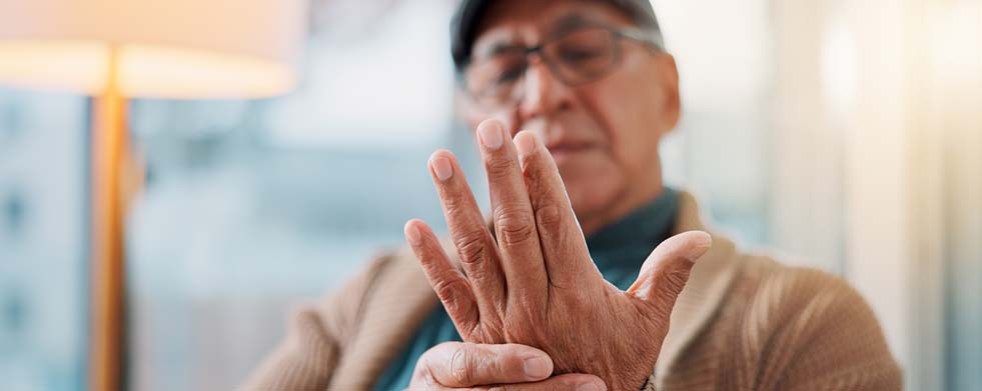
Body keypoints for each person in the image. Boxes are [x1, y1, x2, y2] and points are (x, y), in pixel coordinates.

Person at [242, 0, 902, 389]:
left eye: (584, 52)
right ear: (470, 114)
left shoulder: (803, 321)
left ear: (668, 93)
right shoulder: (368, 297)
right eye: (504, 70)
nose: (542, 94)